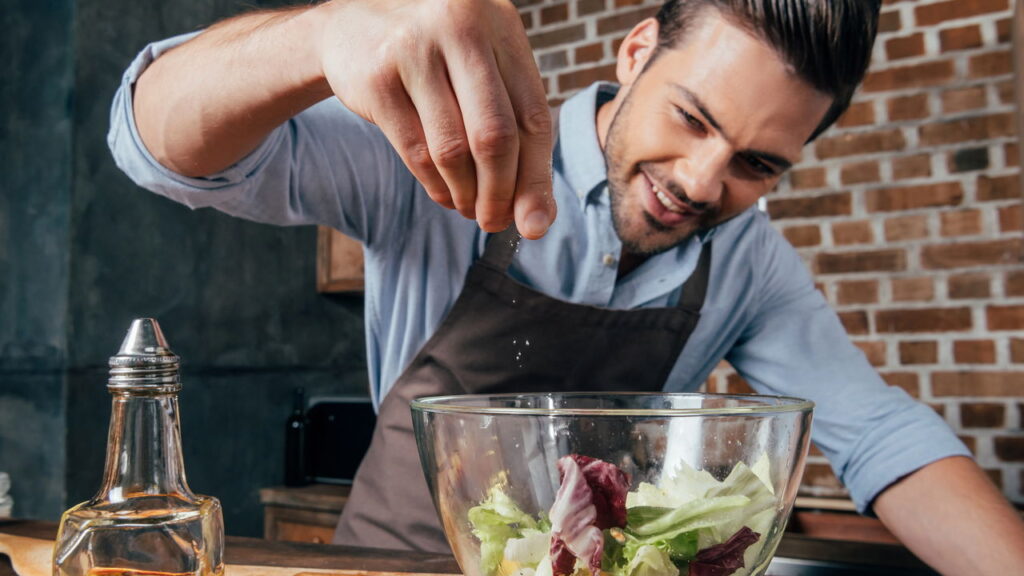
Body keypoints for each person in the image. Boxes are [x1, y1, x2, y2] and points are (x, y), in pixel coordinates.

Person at [108, 0, 1024, 572]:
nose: (704, 184)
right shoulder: (457, 145)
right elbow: (158, 150)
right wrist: (323, 31)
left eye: (756, 163)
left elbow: (883, 436)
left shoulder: (748, 260)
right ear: (636, 53)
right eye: (691, 118)